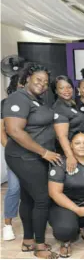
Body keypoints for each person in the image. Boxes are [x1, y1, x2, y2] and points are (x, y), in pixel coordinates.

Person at [3, 64, 62, 259]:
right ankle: (40, 246)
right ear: (27, 78)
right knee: (42, 199)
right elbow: (14, 131)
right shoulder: (17, 98)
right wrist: (44, 152)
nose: (42, 84)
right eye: (38, 80)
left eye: (45, 82)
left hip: (33, 156)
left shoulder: (34, 99)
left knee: (28, 198)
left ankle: (28, 240)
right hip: (25, 157)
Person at [1, 74, 24, 241]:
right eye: (22, 85)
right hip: (15, 153)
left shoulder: (35, 102)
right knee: (14, 187)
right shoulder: (6, 103)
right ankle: (7, 225)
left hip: (34, 153)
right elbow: (2, 130)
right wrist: (10, 149)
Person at [52, 75, 84, 175]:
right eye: (61, 88)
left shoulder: (71, 104)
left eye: (69, 87)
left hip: (79, 150)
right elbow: (61, 136)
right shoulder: (59, 108)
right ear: (56, 91)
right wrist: (70, 156)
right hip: (68, 153)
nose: (66, 90)